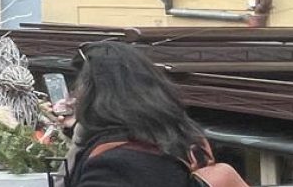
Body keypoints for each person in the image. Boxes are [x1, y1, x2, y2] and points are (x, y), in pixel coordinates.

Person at [63, 41, 209, 187]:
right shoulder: (179, 136)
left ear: (94, 94)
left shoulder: (115, 165)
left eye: (78, 86)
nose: (74, 95)